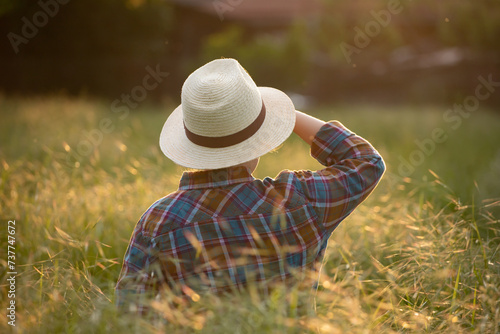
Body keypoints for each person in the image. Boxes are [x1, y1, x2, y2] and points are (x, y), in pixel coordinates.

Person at [115, 58, 385, 313]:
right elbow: (365, 161)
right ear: (258, 136)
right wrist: (286, 115)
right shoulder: (299, 200)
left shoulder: (159, 220)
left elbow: (130, 312)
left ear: (192, 140)